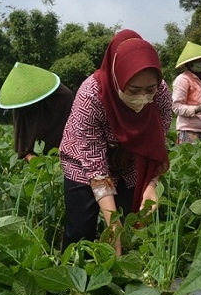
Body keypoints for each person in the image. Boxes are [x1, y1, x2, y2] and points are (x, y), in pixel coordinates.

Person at [60, 30, 171, 255]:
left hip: (129, 161)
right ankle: (72, 277)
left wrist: (151, 186)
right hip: (84, 163)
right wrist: (112, 222)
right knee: (81, 229)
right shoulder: (91, 95)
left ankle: (123, 277)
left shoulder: (160, 93)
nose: (142, 97)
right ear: (116, 77)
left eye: (149, 90)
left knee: (131, 223)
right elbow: (95, 166)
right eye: (133, 90)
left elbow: (156, 145)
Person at [0, 62, 74, 160]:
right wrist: (30, 157)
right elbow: (21, 138)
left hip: (64, 152)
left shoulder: (63, 96)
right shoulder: (20, 105)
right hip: (34, 155)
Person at [172, 41, 201, 143]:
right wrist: (196, 109)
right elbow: (176, 107)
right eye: (198, 60)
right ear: (190, 63)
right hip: (190, 131)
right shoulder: (183, 80)